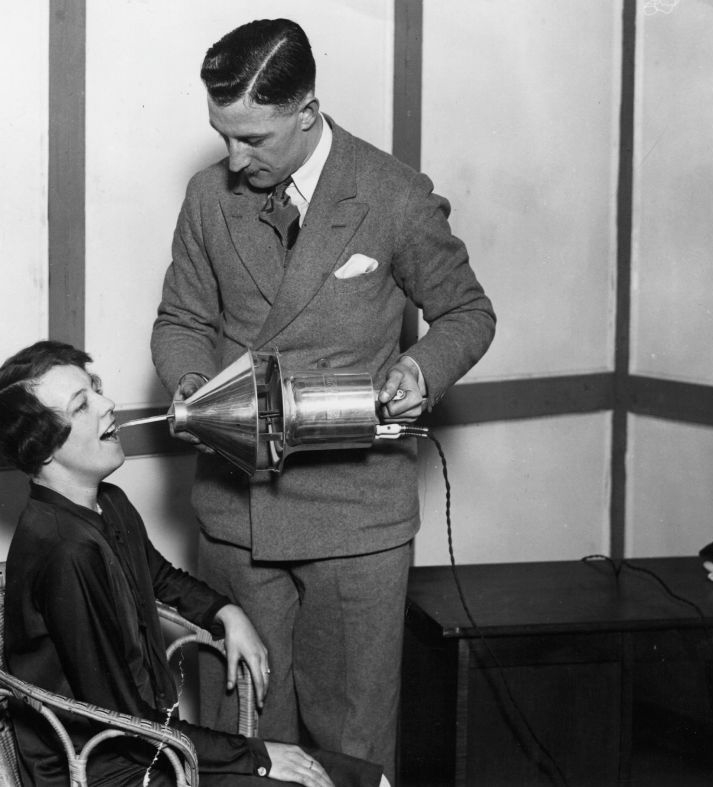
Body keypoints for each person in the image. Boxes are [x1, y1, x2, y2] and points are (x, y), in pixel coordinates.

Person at [150, 19, 496, 781]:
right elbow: (182, 319)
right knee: (244, 740)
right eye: (222, 135)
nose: (235, 160)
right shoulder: (210, 196)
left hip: (355, 516)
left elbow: (469, 312)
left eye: (254, 139)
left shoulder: (392, 194)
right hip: (237, 511)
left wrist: (423, 368)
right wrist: (186, 380)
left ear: (306, 110)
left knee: (352, 744)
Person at [0, 340, 385, 787]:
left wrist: (224, 612)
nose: (107, 403)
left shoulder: (106, 504)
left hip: (147, 745)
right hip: (105, 769)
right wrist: (257, 755)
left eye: (95, 387)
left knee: (358, 778)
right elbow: (123, 721)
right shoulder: (65, 551)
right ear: (41, 449)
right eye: (82, 405)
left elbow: (157, 576)